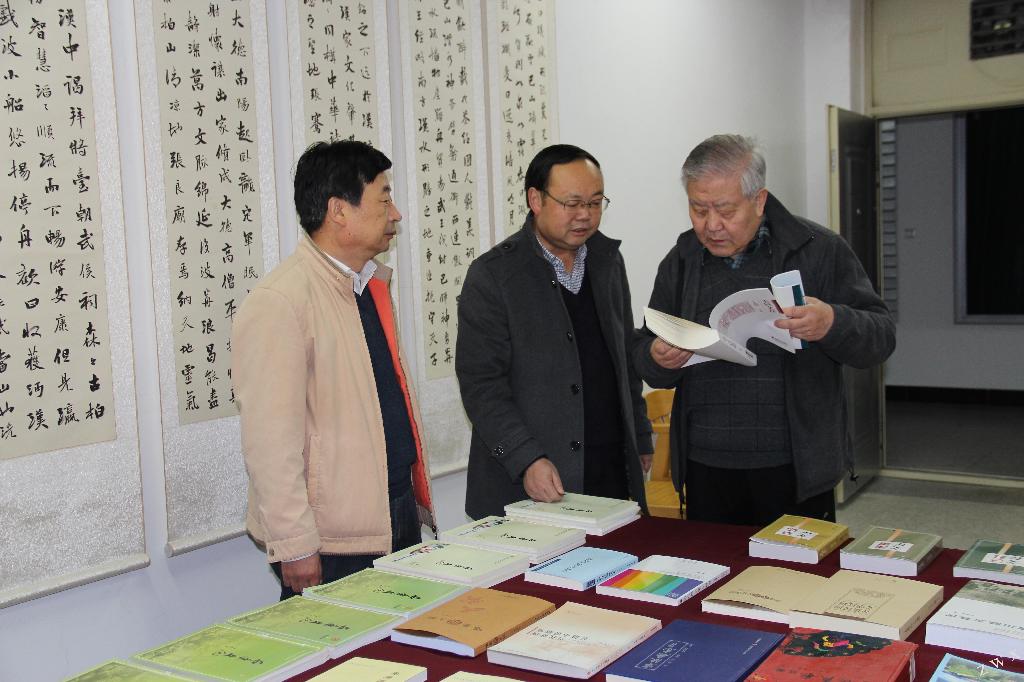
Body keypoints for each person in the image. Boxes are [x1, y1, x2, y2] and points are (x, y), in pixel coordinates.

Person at [633, 134, 894, 526]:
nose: (711, 225)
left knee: (796, 565)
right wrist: (656, 356)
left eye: (725, 210)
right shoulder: (682, 260)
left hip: (795, 466)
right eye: (698, 209)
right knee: (715, 565)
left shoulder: (818, 249)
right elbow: (645, 348)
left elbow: (881, 336)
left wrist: (832, 322)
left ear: (759, 200)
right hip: (707, 465)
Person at [232, 140, 434, 600]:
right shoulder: (281, 301)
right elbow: (269, 441)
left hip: (393, 510)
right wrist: (294, 543)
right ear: (339, 210)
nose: (396, 214)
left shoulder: (368, 285)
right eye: (384, 200)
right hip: (333, 539)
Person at [456, 144, 653, 520]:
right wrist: (525, 457)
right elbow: (482, 386)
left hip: (609, 466)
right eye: (572, 203)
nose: (585, 215)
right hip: (533, 477)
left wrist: (640, 436)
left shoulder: (607, 261)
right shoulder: (494, 275)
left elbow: (624, 359)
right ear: (536, 199)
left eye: (595, 203)